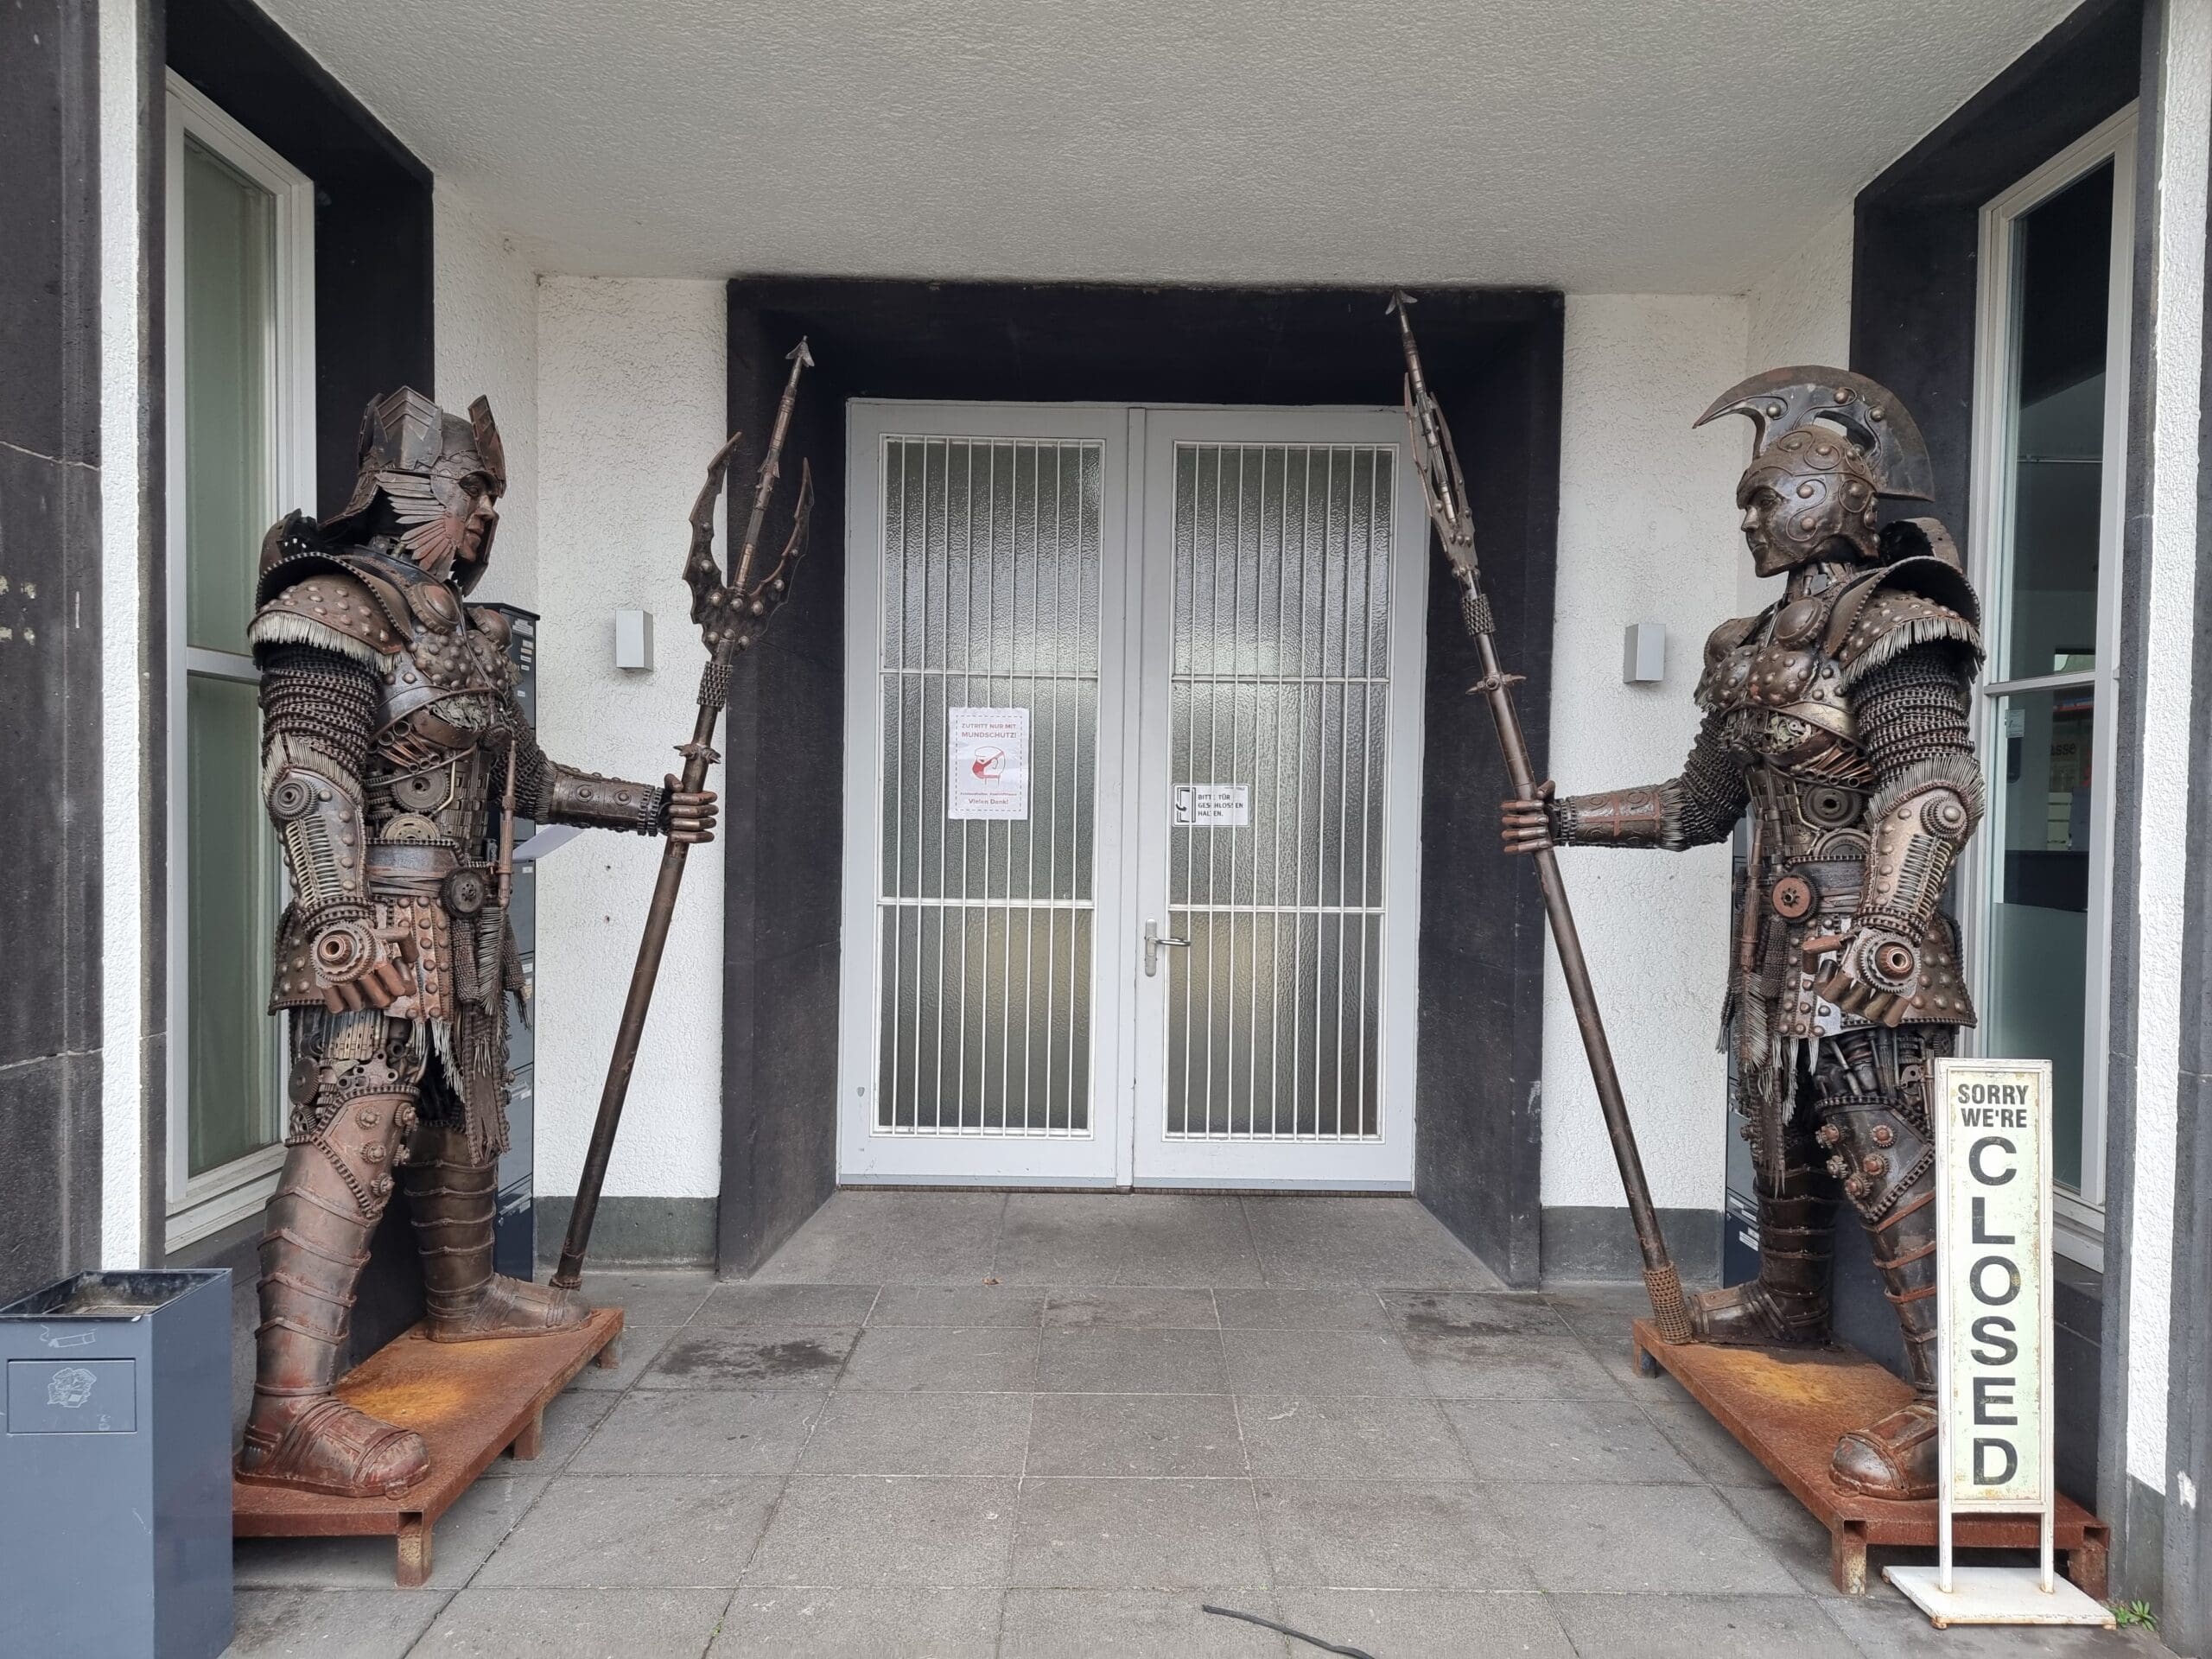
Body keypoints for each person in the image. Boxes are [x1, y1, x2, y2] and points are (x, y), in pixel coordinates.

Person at [1500, 368, 1982, 1501]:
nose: (1751, 520)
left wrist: (1892, 923)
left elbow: (1933, 784)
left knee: (1881, 1149)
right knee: (1776, 1125)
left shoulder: (1900, 619)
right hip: (1773, 937)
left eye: (1769, 497)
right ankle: (1788, 1302)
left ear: (1833, 496)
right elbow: (1698, 805)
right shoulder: (1749, 648)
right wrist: (1567, 820)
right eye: (1747, 502)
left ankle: (1958, 1407)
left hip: (1868, 938)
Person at [235, 389, 716, 1497]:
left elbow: (527, 783)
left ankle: (463, 1299)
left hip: (464, 914)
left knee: (463, 1106)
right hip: (375, 916)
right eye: (472, 491)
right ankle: (286, 1413)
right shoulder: (333, 602)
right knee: (355, 1124)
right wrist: (340, 919)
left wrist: (652, 807)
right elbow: (307, 779)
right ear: (407, 489)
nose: (487, 513)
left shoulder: (467, 634)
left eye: (494, 496)